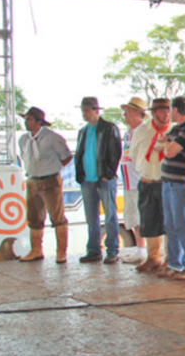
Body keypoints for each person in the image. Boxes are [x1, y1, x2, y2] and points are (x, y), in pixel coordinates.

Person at [17, 106, 72, 264]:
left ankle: (61, 252)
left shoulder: (53, 138)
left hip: (50, 180)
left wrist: (54, 168)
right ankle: (36, 250)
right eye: (25, 119)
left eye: (29, 119)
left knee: (57, 217)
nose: (26, 122)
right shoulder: (23, 139)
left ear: (38, 122)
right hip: (33, 180)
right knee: (34, 217)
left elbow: (66, 157)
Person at [74, 97, 122, 264]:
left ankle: (112, 250)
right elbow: (79, 155)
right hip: (87, 179)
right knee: (91, 217)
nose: (85, 113)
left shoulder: (109, 128)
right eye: (83, 110)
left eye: (87, 110)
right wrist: (80, 175)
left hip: (104, 179)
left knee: (110, 216)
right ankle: (94, 250)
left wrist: (108, 173)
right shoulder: (83, 131)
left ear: (96, 110)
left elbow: (116, 153)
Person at [130, 98, 173, 273]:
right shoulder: (142, 131)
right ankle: (153, 257)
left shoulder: (174, 131)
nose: (165, 115)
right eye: (161, 111)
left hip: (167, 182)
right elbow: (133, 154)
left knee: (169, 222)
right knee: (149, 220)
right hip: (147, 181)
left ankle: (171, 259)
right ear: (153, 113)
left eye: (168, 111)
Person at [159, 96, 185, 280]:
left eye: (171, 110)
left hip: (180, 182)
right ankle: (175, 263)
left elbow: (168, 150)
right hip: (167, 181)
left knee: (183, 224)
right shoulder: (176, 129)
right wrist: (168, 144)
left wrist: (168, 145)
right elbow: (161, 144)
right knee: (170, 224)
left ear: (175, 110)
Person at [119, 97, 147, 264]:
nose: (125, 115)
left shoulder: (143, 131)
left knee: (141, 215)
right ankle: (139, 248)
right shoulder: (128, 133)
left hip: (139, 180)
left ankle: (144, 249)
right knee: (132, 216)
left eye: (128, 111)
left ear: (138, 113)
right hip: (128, 181)